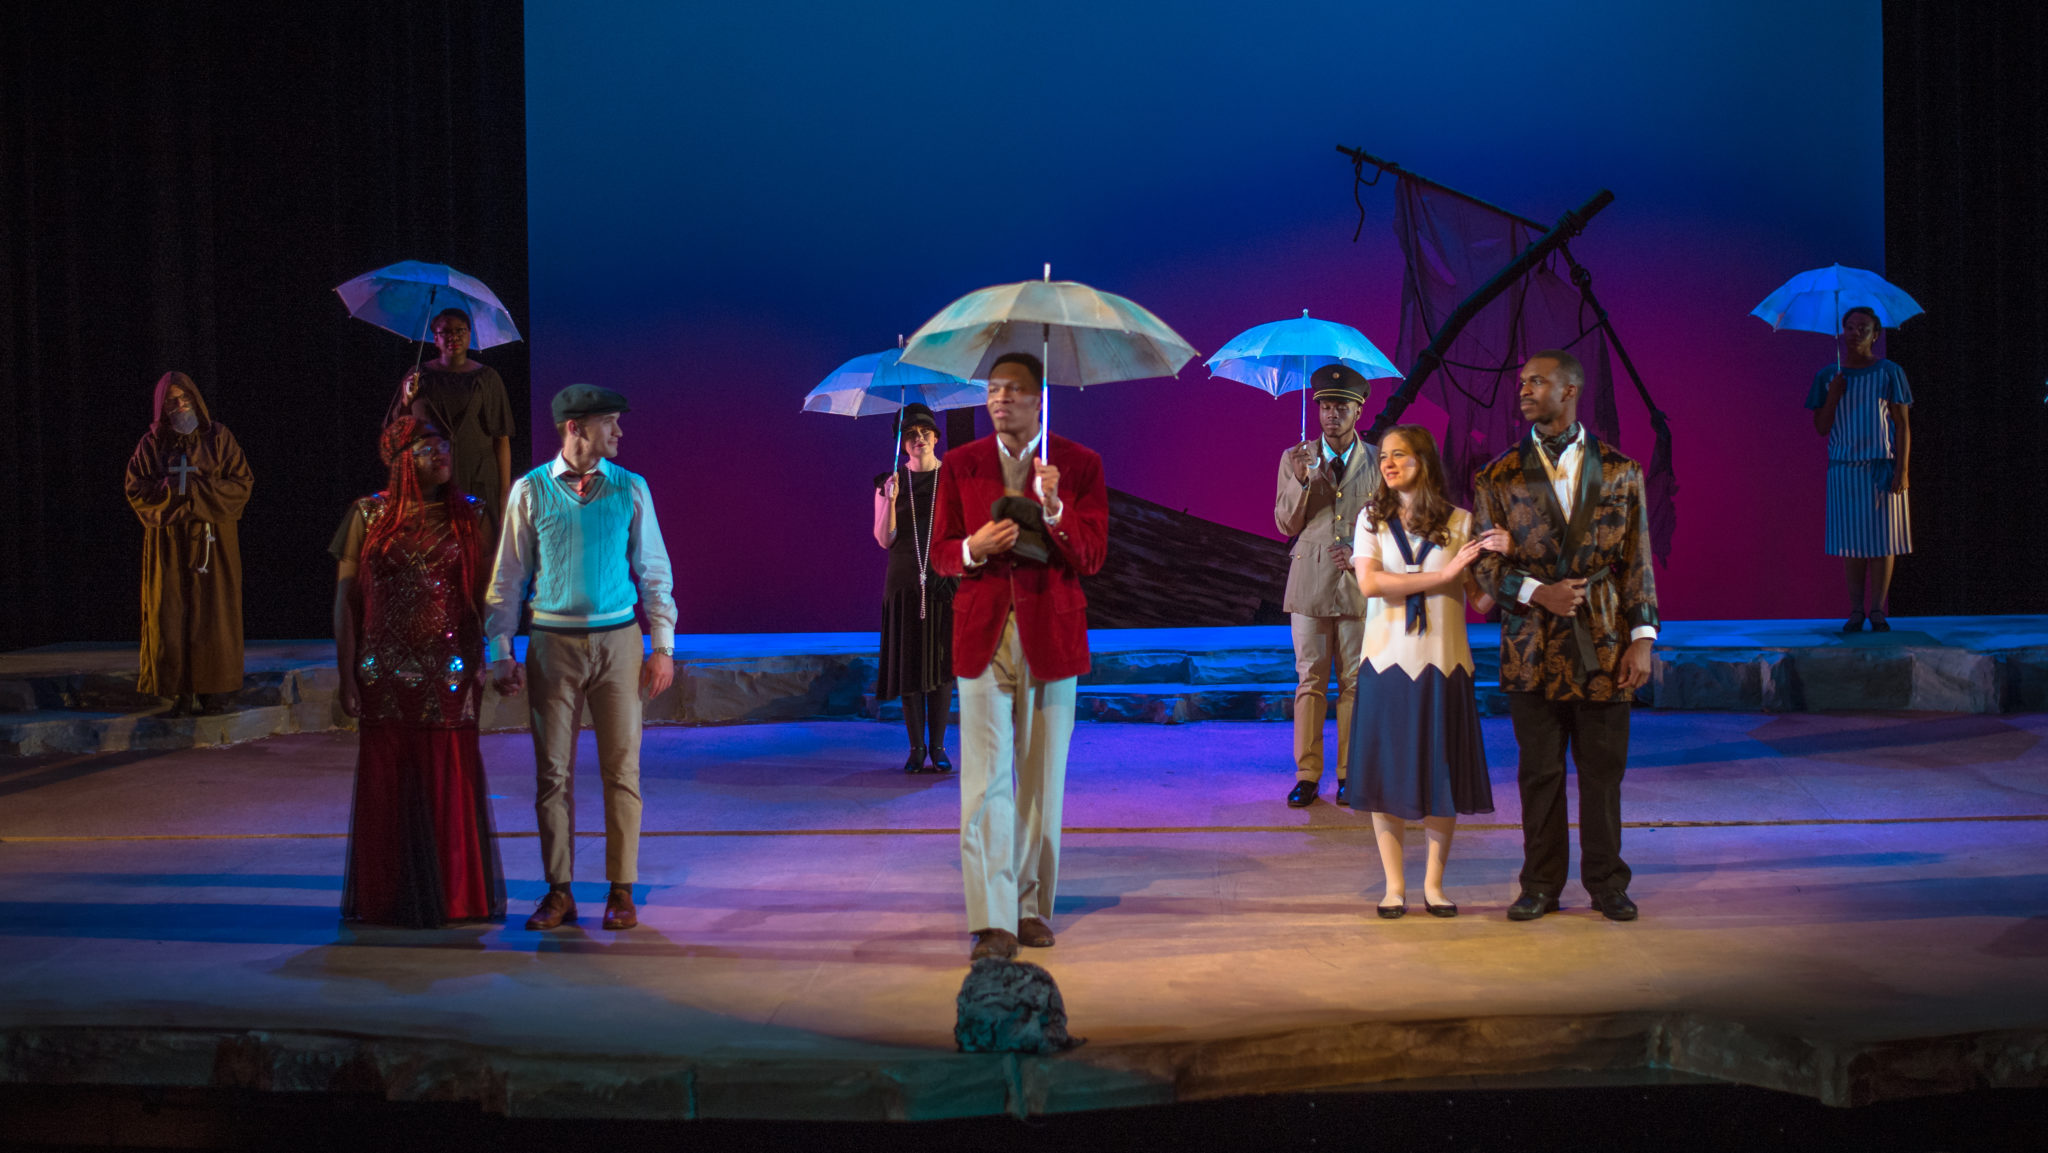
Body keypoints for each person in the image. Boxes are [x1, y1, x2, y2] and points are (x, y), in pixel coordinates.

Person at [929, 352, 1108, 961]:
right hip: (982, 634)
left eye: (1014, 390)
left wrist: (1055, 510)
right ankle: (991, 918)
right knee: (984, 783)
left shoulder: (1078, 465)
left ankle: (1030, 906)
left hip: (1051, 633)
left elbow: (1091, 557)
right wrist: (973, 548)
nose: (1000, 399)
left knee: (1040, 782)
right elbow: (941, 555)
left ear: (1040, 397)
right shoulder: (960, 464)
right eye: (993, 389)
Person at [1473, 350, 1659, 923]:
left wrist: (1643, 638)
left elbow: (1637, 558)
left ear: (1571, 389)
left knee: (1603, 772)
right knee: (1540, 773)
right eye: (1521, 382)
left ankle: (1606, 881)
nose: (1524, 390)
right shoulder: (1498, 475)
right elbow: (1483, 567)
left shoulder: (1622, 469)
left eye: (1537, 381)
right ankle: (1541, 884)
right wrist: (1537, 593)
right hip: (1531, 645)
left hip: (1604, 640)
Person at [485, 385, 676, 933]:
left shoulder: (630, 488)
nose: (619, 434)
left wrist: (662, 645)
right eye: (609, 424)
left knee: (623, 769)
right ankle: (559, 890)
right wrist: (501, 650)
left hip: (618, 641)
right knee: (552, 773)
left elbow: (654, 570)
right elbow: (508, 577)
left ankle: (621, 889)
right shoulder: (530, 491)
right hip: (552, 642)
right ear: (576, 428)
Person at [330, 416, 505, 927]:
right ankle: (387, 897)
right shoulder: (368, 513)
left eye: (444, 444)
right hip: (380, 669)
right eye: (428, 446)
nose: (442, 453)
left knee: (446, 776)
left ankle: (454, 897)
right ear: (402, 457)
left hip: (448, 668)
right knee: (389, 780)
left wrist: (492, 658)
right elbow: (346, 599)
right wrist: (345, 675)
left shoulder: (472, 514)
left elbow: (489, 595)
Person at [1347, 425, 1506, 918]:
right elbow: (1370, 584)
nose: (1388, 464)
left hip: (1444, 662)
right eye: (1385, 457)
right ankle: (1394, 886)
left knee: (1442, 774)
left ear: (1425, 462)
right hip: (1386, 660)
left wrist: (1505, 559)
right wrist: (1441, 575)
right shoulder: (1370, 520)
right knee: (1386, 776)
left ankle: (1435, 885)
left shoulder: (1461, 524)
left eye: (1401, 456)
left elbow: (1479, 598)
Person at [1274, 365, 1379, 808]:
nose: (1330, 414)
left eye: (1340, 406)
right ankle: (1307, 774)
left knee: (1355, 682)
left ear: (1359, 410)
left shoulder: (1377, 459)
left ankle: (1350, 775)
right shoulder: (1295, 457)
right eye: (1323, 406)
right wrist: (1302, 480)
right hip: (1310, 581)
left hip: (1358, 582)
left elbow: (1391, 524)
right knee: (1310, 680)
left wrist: (1360, 549)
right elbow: (1285, 524)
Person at [123, 372, 253, 716]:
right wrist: (170, 491)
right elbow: (136, 489)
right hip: (168, 544)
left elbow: (242, 483)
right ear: (162, 406)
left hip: (212, 543)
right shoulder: (151, 445)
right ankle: (178, 692)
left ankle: (214, 691)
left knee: (214, 613)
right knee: (172, 612)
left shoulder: (219, 438)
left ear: (196, 400)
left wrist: (196, 492)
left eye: (185, 399)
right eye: (172, 400)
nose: (180, 405)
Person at [1805, 306, 1912, 632]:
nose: (1855, 333)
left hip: (1881, 465)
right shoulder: (1828, 376)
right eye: (1849, 327)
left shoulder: (1889, 372)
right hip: (1845, 468)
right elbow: (1821, 427)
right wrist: (1833, 396)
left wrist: (1902, 470)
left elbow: (1903, 425)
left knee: (1882, 541)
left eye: (1862, 328)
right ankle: (1855, 610)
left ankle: (1877, 609)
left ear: (1875, 334)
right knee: (1852, 544)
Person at [872, 402, 959, 774]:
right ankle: (916, 747)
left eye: (925, 433)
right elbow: (883, 539)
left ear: (936, 438)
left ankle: (939, 746)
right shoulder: (888, 483)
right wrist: (889, 503)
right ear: (902, 443)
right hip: (905, 582)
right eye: (911, 435)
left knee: (939, 666)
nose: (919, 439)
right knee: (910, 665)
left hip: (942, 582)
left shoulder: (952, 480)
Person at [395, 308, 515, 541]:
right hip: (433, 479)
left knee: (479, 550)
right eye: (446, 331)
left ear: (470, 335)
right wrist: (406, 401)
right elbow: (399, 434)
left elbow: (502, 439)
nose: (454, 336)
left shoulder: (487, 378)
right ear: (435, 338)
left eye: (460, 330)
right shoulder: (419, 376)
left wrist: (503, 496)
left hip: (478, 478)